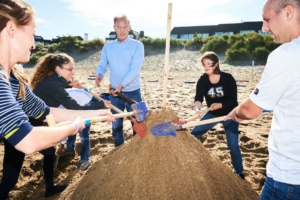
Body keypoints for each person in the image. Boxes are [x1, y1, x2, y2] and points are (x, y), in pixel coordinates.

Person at [0, 1, 114, 199]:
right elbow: (28, 141)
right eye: (33, 34)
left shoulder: (14, 78)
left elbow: (47, 111)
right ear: (11, 29)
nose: (34, 44)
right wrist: (74, 127)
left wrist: (97, 113)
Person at [225, 0, 300, 198]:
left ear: (289, 12)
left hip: (289, 178)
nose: (264, 28)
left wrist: (236, 112)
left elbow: (250, 110)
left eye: (267, 20)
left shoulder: (286, 54)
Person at [30, 53, 110, 171]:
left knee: (50, 151)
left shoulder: (51, 80)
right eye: (70, 69)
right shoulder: (55, 85)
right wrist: (101, 105)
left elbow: (57, 87)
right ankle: (51, 186)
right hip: (31, 125)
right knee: (48, 152)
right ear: (58, 69)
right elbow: (76, 110)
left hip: (37, 120)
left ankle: (51, 184)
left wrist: (69, 84)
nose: (73, 73)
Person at [191, 51, 244, 179]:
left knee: (233, 145)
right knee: (194, 134)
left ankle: (239, 172)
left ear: (216, 64)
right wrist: (197, 109)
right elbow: (198, 97)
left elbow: (233, 100)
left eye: (209, 64)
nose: (206, 67)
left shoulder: (228, 78)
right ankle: (196, 163)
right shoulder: (203, 79)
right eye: (204, 64)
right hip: (213, 114)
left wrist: (220, 105)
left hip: (230, 115)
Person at [95, 14, 144, 147]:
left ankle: (137, 151)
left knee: (138, 124)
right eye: (119, 27)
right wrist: (99, 74)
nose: (122, 30)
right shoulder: (108, 47)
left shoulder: (137, 45)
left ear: (129, 27)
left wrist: (121, 85)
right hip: (114, 93)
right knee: (116, 126)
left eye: (124, 27)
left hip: (133, 92)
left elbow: (135, 69)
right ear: (114, 28)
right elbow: (103, 64)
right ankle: (119, 150)